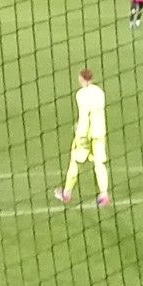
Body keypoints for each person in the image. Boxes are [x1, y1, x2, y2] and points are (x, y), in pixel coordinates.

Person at [54, 67, 111, 208]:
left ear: (81, 79)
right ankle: (104, 195)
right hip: (99, 132)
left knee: (75, 162)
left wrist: (80, 132)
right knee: (99, 164)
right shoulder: (100, 92)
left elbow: (85, 116)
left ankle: (66, 193)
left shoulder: (80, 94)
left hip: (85, 134)